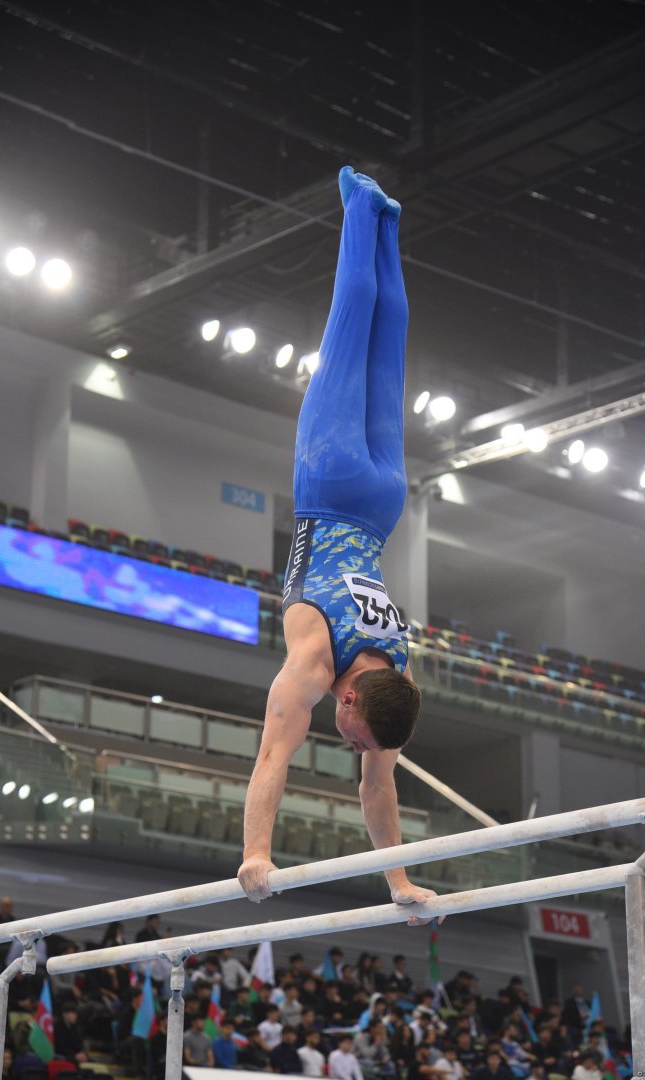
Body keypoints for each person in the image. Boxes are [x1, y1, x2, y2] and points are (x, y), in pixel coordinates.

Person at [238, 167, 440, 925]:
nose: (354, 746)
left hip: (385, 497)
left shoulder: (398, 675)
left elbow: (379, 787)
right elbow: (270, 760)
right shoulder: (315, 660)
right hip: (328, 482)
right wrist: (256, 854)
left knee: (387, 344)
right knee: (348, 326)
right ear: (348, 698)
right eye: (356, 734)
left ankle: (388, 220)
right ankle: (361, 205)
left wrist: (400, 886)